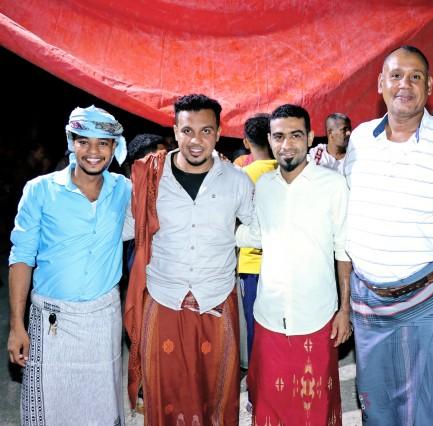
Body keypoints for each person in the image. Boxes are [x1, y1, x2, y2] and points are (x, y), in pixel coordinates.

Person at [344, 45, 433, 425]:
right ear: (381, 83)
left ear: (429, 86)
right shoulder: (359, 140)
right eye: (396, 75)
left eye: (415, 77)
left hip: (430, 299)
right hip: (368, 303)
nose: (404, 84)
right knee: (378, 405)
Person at [123, 94, 254, 425]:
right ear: (174, 131)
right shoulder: (150, 178)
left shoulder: (237, 181)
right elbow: (123, 228)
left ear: (219, 132)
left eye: (206, 131)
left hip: (216, 299)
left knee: (216, 396)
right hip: (163, 297)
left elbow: (259, 229)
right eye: (187, 131)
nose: (196, 141)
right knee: (165, 395)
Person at [7, 105, 130, 425]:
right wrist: (17, 325)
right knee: (50, 411)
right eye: (83, 141)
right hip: (52, 321)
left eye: (103, 143)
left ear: (114, 147)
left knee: (100, 411)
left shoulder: (124, 190)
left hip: (103, 321)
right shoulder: (40, 190)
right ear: (71, 142)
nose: (93, 151)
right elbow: (21, 257)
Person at [236, 104, 351, 425]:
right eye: (279, 137)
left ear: (310, 137)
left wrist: (345, 310)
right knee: (270, 407)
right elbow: (257, 234)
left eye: (295, 135)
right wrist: (219, 229)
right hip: (269, 315)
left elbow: (344, 251)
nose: (286, 144)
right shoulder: (263, 186)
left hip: (318, 316)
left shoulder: (333, 185)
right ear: (270, 140)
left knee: (315, 409)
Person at [237, 113, 277, 359]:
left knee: (255, 327)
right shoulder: (286, 170)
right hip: (281, 264)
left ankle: (258, 378)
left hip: (252, 264)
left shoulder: (241, 175)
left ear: (246, 142)